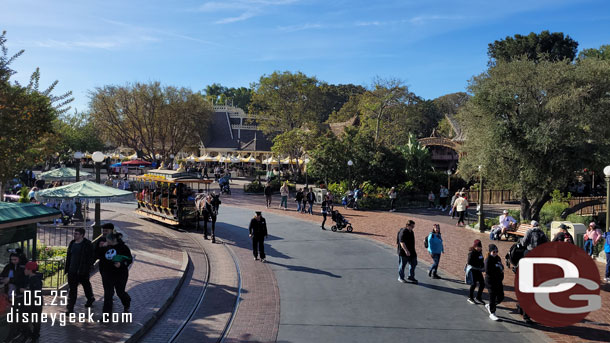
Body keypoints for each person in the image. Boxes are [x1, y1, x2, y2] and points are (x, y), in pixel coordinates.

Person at [98, 232, 132, 313]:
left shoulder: (123, 248)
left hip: (120, 274)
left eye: (108, 240)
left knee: (120, 292)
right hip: (107, 274)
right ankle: (106, 315)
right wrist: (101, 248)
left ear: (114, 240)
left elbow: (129, 259)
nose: (107, 241)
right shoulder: (106, 247)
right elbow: (100, 257)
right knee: (108, 294)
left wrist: (121, 264)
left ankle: (127, 302)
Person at [65, 227, 95, 313]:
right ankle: (70, 308)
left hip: (82, 271)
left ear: (82, 235)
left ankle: (90, 298)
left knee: (86, 286)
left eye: (76, 234)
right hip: (72, 271)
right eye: (74, 233)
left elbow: (91, 257)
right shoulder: (72, 243)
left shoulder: (87, 244)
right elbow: (69, 257)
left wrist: (87, 267)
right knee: (72, 290)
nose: (74, 235)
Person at [19, 261, 43, 340]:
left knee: (32, 320)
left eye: (26, 269)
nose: (24, 270)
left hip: (34, 303)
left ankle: (33, 335)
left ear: (30, 270)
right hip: (31, 302)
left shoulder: (35, 280)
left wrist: (24, 291)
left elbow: (35, 292)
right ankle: (32, 335)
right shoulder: (30, 278)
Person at [484, 244, 504, 321]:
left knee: (500, 297)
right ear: (490, 252)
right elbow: (488, 271)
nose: (495, 253)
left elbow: (501, 267)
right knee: (492, 296)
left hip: (498, 280)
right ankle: (492, 313)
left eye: (496, 251)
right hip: (491, 281)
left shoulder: (498, 258)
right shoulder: (488, 259)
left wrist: (500, 268)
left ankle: (490, 305)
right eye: (494, 251)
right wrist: (497, 270)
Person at [397, 220, 418, 284]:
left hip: (412, 251)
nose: (413, 227)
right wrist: (406, 251)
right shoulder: (403, 231)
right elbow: (401, 242)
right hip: (404, 252)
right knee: (402, 265)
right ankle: (401, 277)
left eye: (413, 226)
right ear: (407, 225)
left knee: (414, 263)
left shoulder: (411, 232)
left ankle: (411, 276)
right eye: (412, 226)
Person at [466, 239, 485, 305]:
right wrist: (477, 264)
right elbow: (469, 262)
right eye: (478, 247)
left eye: (480, 247)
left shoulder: (480, 252)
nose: (479, 248)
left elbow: (482, 260)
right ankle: (470, 297)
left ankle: (478, 297)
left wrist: (482, 266)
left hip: (478, 270)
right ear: (475, 246)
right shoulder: (471, 253)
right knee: (473, 284)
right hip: (473, 270)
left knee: (482, 284)